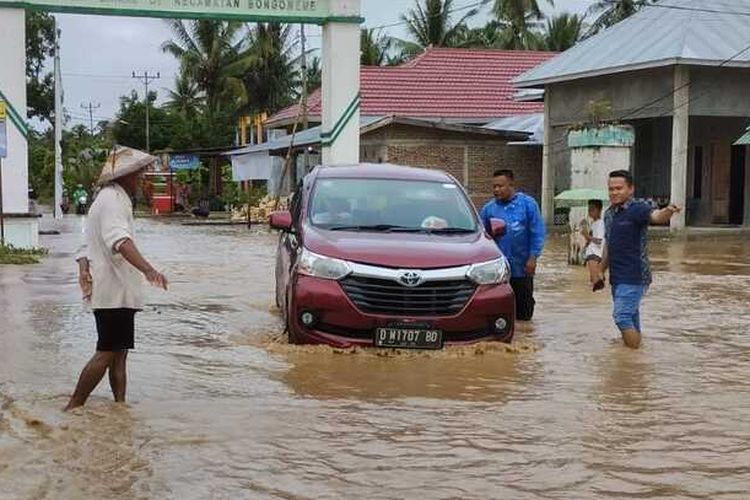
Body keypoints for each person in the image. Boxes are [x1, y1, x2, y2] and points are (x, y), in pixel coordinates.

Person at [65, 146, 168, 411]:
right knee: (108, 352)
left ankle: (120, 408)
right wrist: (149, 270)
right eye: (138, 173)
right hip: (114, 292)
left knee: (119, 354)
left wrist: (83, 270)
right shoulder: (112, 200)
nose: (141, 178)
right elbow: (120, 241)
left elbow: (85, 243)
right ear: (125, 176)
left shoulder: (109, 198)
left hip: (117, 292)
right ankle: (74, 406)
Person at [595, 170, 681, 349]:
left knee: (621, 317)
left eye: (619, 188)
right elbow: (610, 244)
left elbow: (656, 216)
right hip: (617, 277)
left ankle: (632, 355)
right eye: (611, 189)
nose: (614, 193)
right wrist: (600, 270)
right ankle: (636, 368)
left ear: (630, 189)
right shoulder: (609, 214)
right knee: (632, 318)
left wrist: (668, 211)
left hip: (635, 276)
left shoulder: (638, 208)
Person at [480, 169, 546, 321]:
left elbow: (538, 233)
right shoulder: (488, 209)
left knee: (524, 311)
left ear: (511, 185)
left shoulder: (528, 205)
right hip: (498, 270)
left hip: (522, 267)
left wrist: (533, 258)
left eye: (500, 186)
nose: (496, 190)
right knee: (498, 312)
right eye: (494, 186)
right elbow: (482, 237)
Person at [582, 199, 606, 291]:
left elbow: (599, 241)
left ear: (599, 210)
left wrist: (587, 235)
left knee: (596, 281)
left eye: (592, 209)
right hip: (591, 254)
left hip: (595, 254)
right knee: (593, 280)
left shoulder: (600, 223)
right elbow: (591, 240)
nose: (590, 212)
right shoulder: (593, 223)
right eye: (589, 209)